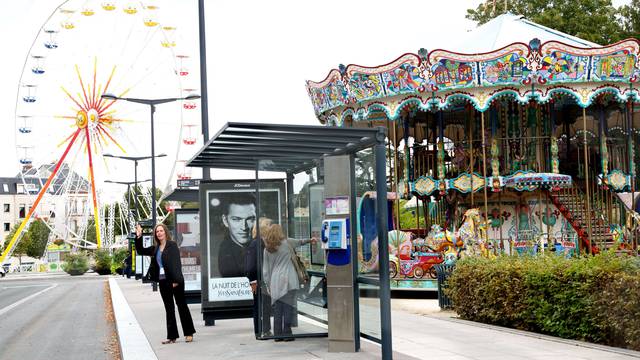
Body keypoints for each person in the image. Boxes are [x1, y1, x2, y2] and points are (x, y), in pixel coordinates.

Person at [135, 223, 196, 344]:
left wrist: (175, 281)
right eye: (157, 231)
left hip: (175, 281)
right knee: (169, 308)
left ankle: (189, 333)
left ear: (165, 232)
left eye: (161, 231)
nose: (159, 233)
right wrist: (139, 236)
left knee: (181, 306)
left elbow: (176, 264)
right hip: (163, 282)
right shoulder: (155, 248)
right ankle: (172, 336)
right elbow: (140, 250)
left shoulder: (172, 245)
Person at [262, 224, 316, 341]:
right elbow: (300, 242)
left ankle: (277, 335)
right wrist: (310, 240)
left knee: (277, 308)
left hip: (275, 280)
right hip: (289, 279)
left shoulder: (267, 249)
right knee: (288, 306)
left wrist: (268, 284)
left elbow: (266, 270)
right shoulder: (287, 242)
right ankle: (287, 333)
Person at [212, 193, 257, 277]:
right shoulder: (223, 251)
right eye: (236, 219)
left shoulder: (263, 247)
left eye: (250, 219)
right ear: (225, 220)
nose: (244, 227)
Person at [245, 217, 273, 339]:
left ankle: (265, 330)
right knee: (259, 306)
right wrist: (253, 281)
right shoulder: (256, 243)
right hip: (258, 280)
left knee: (265, 305)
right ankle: (260, 331)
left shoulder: (262, 242)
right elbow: (250, 265)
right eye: (269, 225)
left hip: (263, 280)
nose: (271, 228)